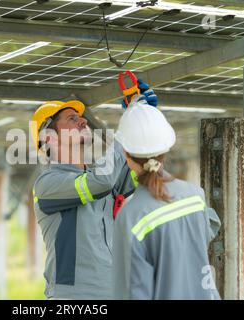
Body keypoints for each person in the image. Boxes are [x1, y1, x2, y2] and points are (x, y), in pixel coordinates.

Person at [30, 81, 157, 299]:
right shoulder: (47, 185)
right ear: (49, 137)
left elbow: (144, 165)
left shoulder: (98, 175)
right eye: (72, 118)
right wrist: (127, 127)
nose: (82, 120)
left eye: (80, 117)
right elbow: (102, 183)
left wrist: (145, 120)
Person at [112, 102, 221, 300]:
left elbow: (131, 291)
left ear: (126, 154)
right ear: (166, 150)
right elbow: (209, 227)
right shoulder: (195, 196)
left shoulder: (131, 216)